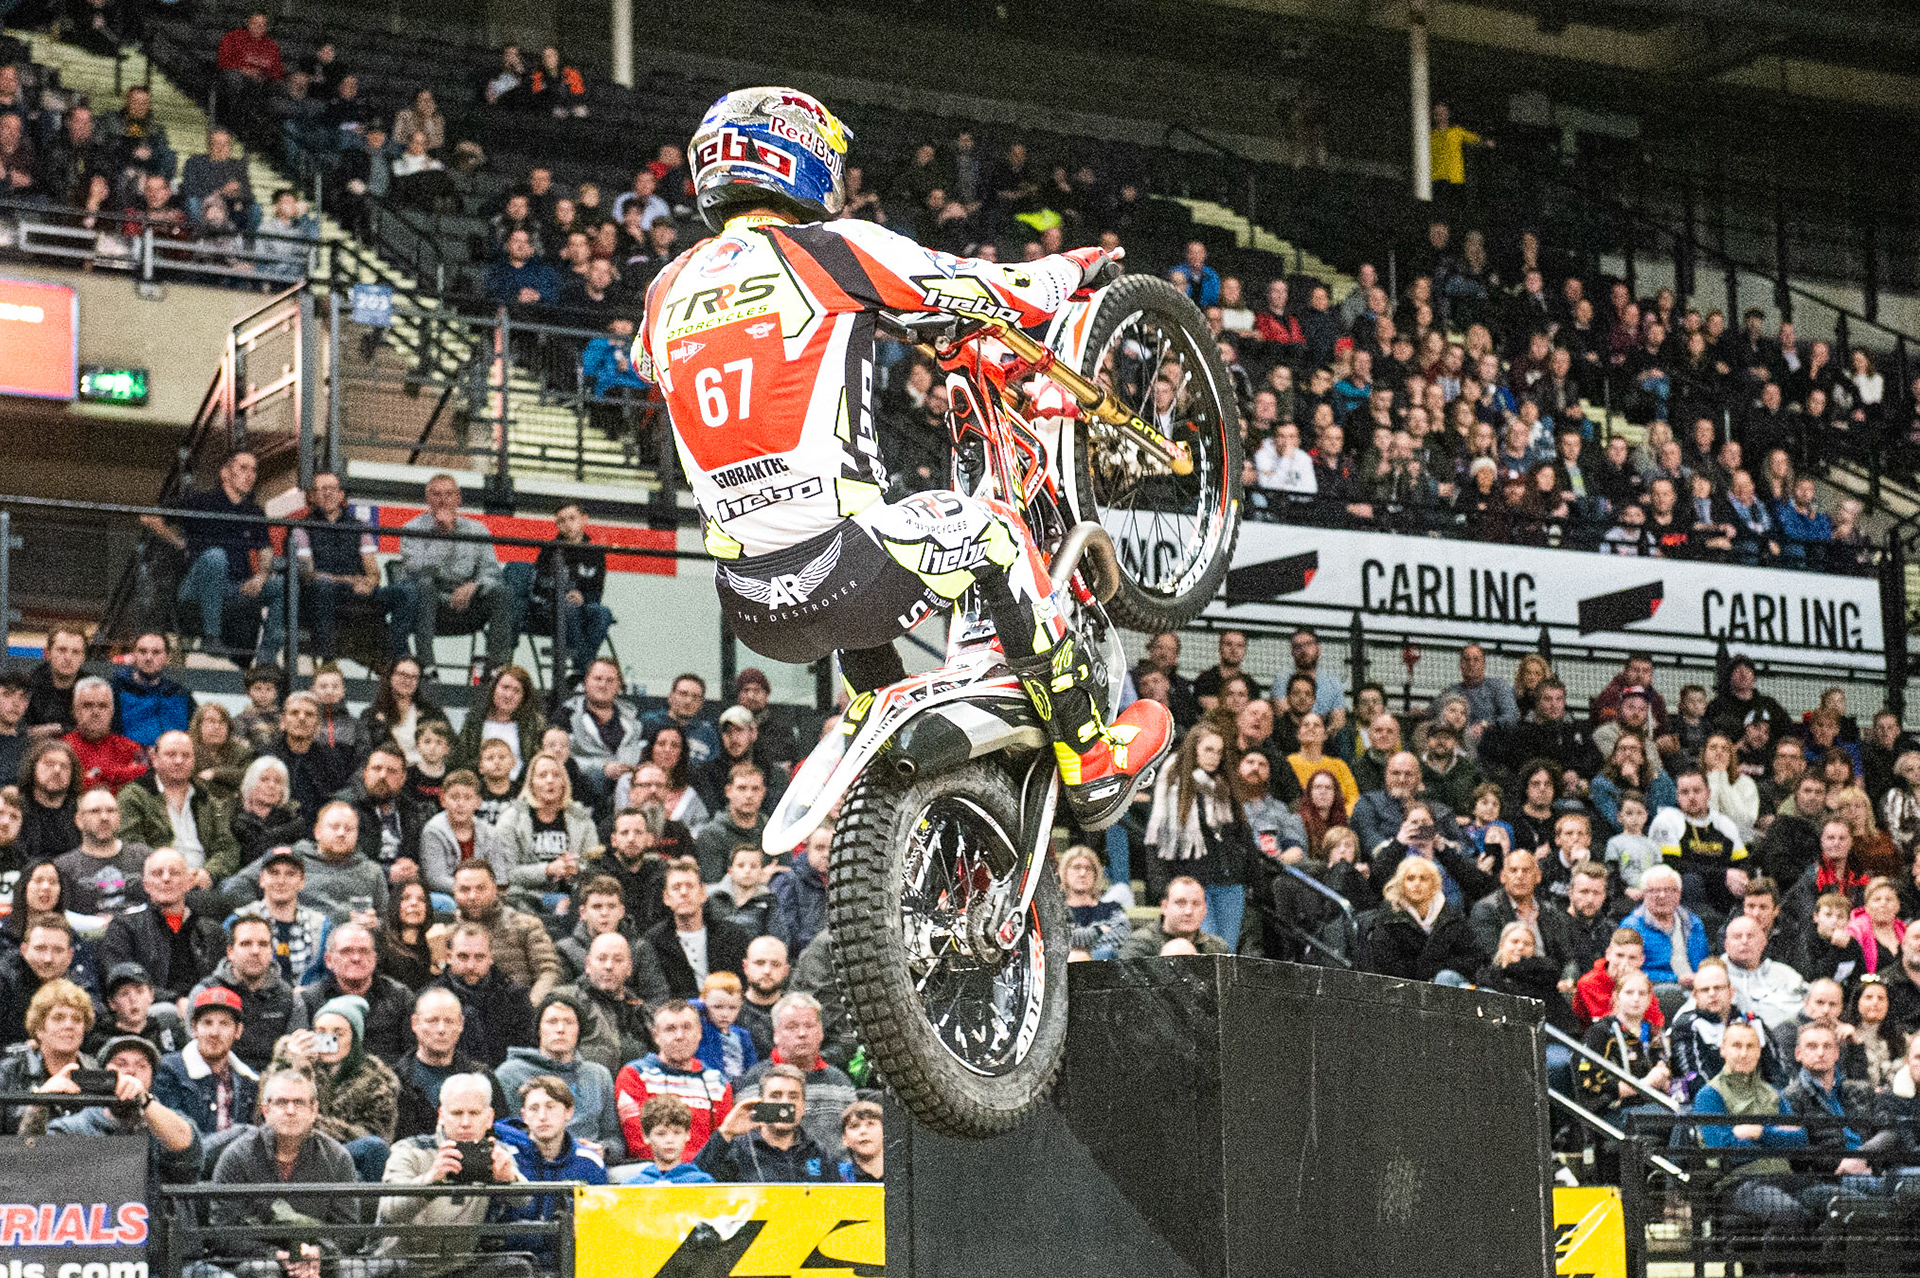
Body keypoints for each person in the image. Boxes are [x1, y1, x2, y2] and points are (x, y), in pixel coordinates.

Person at [644, 90, 1170, 827]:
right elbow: (994, 291)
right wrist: (1072, 268)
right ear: (796, 154)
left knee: (845, 540)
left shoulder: (664, 289)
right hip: (854, 570)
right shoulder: (832, 250)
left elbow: (667, 361)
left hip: (751, 606)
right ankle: (1092, 756)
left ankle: (890, 746)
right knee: (993, 530)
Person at [206, 1067, 362, 1275]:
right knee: (262, 1270)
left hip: (320, 1262)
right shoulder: (237, 1156)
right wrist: (275, 1255)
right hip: (259, 1261)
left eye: (299, 1102)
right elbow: (223, 1231)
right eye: (281, 1102)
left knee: (353, 1270)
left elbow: (348, 1231)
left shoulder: (337, 1158)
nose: (290, 1110)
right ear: (265, 1110)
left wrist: (318, 1255)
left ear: (314, 1110)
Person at [376, 1072, 531, 1276]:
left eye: (474, 1113)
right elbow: (389, 1211)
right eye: (457, 1113)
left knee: (518, 1267)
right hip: (402, 1267)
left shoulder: (497, 1152)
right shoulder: (408, 1149)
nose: (465, 1122)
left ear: (489, 1118)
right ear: (441, 1115)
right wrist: (431, 1179)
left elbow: (525, 1199)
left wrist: (508, 1179)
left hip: (459, 1268)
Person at [139, 450, 275, 663]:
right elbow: (149, 516)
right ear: (225, 473)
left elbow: (266, 550)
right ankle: (212, 636)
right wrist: (179, 542)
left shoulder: (254, 511)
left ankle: (268, 655)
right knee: (215, 556)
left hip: (237, 585)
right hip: (196, 587)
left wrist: (261, 575)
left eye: (254, 470)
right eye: (243, 468)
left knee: (280, 584)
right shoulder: (201, 501)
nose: (250, 475)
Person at [25, 1031, 202, 1184]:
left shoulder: (170, 1121)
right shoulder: (76, 1126)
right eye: (121, 1064)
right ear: (103, 1073)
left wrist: (144, 1101)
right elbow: (30, 1164)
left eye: (142, 1066)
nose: (131, 1072)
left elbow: (188, 1151)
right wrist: (39, 1102)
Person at [1691, 1020, 1814, 1237]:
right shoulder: (1709, 1095)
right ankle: (1775, 1271)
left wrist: (1756, 1132)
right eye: (1736, 1046)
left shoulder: (1774, 1093)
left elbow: (1800, 1140)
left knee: (1839, 1204)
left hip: (1785, 1177)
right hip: (1739, 1184)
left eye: (1751, 1046)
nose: (1744, 1053)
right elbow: (1725, 1149)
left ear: (1759, 1052)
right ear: (1723, 1050)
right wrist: (1776, 1139)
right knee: (1790, 1212)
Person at [271, 993, 400, 1183]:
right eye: (321, 1032)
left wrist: (312, 1123)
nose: (329, 1040)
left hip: (347, 1157)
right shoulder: (301, 1066)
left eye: (338, 1033)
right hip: (295, 1153)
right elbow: (268, 1114)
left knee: (372, 1148)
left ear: (354, 1038)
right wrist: (291, 1065)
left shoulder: (376, 1079)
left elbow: (375, 1136)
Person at [1144, 723, 1253, 947]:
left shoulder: (1225, 784)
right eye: (1208, 750)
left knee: (1227, 951)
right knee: (1206, 948)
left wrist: (1249, 873)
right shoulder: (1174, 782)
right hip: (1195, 883)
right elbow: (1156, 838)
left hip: (1230, 882)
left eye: (1219, 752)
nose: (1215, 757)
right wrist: (1160, 885)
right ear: (1194, 749)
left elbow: (1242, 832)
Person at [399, 474, 516, 675]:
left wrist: (474, 586)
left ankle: (497, 669)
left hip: (468, 605)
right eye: (436, 494)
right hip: (430, 607)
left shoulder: (477, 529)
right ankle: (427, 668)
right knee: (425, 585)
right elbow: (417, 570)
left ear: (458, 498)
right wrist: (445, 534)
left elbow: (491, 573)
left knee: (501, 592)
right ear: (428, 499)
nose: (443, 500)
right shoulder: (412, 528)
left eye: (449, 494)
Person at [494, 992, 623, 1162]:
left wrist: (603, 1151)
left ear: (579, 1030)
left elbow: (615, 1140)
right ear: (539, 1029)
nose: (560, 1029)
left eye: (569, 1022)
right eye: (552, 1022)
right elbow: (500, 1133)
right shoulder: (510, 1074)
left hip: (588, 1164)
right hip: (531, 1165)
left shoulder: (598, 1075)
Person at [99, 848, 224, 1003]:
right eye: (157, 873)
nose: (166, 878)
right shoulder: (123, 929)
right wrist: (176, 1001)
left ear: (189, 883)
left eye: (174, 873)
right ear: (146, 885)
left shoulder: (211, 931)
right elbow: (121, 979)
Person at [616, 998, 732, 1161]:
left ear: (699, 1032)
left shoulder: (718, 1082)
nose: (679, 1036)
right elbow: (640, 1144)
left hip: (706, 1175)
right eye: (670, 1029)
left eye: (687, 1027)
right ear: (656, 1036)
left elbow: (722, 1145)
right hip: (654, 1172)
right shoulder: (635, 1075)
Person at [117, 730, 237, 885]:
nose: (179, 761)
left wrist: (208, 873)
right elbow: (131, 846)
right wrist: (173, 872)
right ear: (154, 758)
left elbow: (227, 847)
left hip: (204, 882)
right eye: (171, 755)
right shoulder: (134, 795)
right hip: (159, 882)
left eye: (186, 755)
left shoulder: (207, 797)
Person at [192, 916, 308, 1070]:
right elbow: (193, 1052)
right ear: (230, 952)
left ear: (271, 951)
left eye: (263, 944)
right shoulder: (205, 993)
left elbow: (295, 1058)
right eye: (246, 944)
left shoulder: (290, 998)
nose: (255, 951)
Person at [1354, 855, 1484, 986]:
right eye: (1410, 878)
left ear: (1434, 884)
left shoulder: (1451, 918)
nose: (1417, 884)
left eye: (1423, 878)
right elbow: (1389, 970)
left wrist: (1437, 971)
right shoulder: (1387, 921)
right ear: (1401, 884)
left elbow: (1473, 957)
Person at [154, 984, 260, 1141]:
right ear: (194, 1028)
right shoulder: (169, 1071)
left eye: (224, 1024)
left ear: (238, 1031)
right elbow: (176, 1138)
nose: (214, 1033)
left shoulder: (249, 1080)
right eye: (207, 1023)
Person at [297, 923, 415, 1064]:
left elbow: (411, 1055)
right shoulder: (311, 1000)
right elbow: (304, 1056)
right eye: (346, 951)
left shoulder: (400, 998)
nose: (356, 958)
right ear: (328, 960)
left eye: (364, 951)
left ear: (374, 958)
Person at [423, 921, 536, 1069]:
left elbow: (526, 1052)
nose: (471, 965)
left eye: (479, 957)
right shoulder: (429, 1000)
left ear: (491, 958)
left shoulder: (515, 998)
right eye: (463, 957)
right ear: (449, 957)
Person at [697, 1062, 833, 1183]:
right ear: (760, 1102)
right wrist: (725, 1132)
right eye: (775, 1096)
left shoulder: (817, 1152)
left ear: (803, 1106)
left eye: (793, 1096)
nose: (785, 1103)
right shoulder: (738, 1151)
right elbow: (693, 1183)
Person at [449, 861, 562, 1002]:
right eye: (465, 889)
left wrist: (529, 1009)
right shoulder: (447, 935)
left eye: (480, 888)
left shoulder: (526, 926)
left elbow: (549, 972)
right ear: (454, 893)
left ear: (494, 889)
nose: (473, 896)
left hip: (520, 1011)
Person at [645, 856, 752, 999]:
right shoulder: (653, 941)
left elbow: (743, 985)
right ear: (666, 898)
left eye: (690, 886)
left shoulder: (732, 935)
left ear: (703, 893)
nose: (684, 893)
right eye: (676, 888)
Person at [554, 933, 661, 1076]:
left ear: (629, 968)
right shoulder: (565, 1002)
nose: (609, 966)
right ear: (588, 965)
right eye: (601, 959)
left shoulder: (640, 1010)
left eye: (618, 960)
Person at [1650, 769, 1750, 919]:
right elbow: (1672, 865)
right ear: (1677, 796)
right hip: (1684, 892)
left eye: (1697, 791)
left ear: (1708, 793)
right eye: (1684, 792)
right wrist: (1722, 875)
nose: (1691, 797)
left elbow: (1743, 863)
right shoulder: (1667, 819)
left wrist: (1741, 878)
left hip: (1720, 891)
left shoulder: (1724, 823)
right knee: (1690, 881)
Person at [54, 787, 151, 916]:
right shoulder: (63, 867)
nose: (104, 817)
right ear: (79, 820)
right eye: (95, 811)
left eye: (111, 811)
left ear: (119, 818)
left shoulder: (144, 857)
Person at [453, 665, 546, 777]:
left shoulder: (535, 723)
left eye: (516, 691)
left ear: (523, 697)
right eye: (505, 687)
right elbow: (461, 759)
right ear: (494, 689)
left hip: (521, 788)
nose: (508, 695)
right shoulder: (474, 721)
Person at [63, 677, 146, 797]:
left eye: (102, 706)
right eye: (87, 705)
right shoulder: (63, 748)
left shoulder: (130, 747)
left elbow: (144, 776)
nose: (95, 712)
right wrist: (121, 776)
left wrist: (98, 773)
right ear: (75, 710)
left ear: (112, 711)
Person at [110, 633, 195, 750]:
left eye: (156, 652)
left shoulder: (180, 693)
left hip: (173, 760)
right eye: (142, 651)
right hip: (129, 761)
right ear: (134, 654)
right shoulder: (116, 690)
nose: (148, 658)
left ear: (167, 657)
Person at [629, 1095, 716, 1184]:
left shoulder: (702, 1183)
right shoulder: (634, 1185)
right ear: (646, 1137)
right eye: (661, 1134)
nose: (670, 1140)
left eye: (677, 1133)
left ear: (687, 1135)